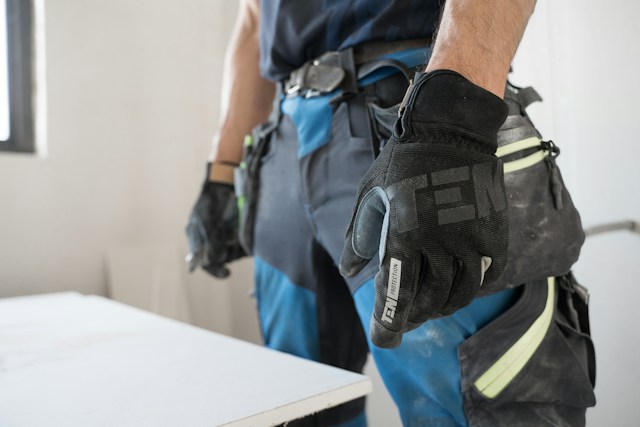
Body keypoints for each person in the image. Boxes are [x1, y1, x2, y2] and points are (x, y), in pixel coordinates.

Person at [185, 1, 596, 425]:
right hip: (284, 143)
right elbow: (254, 15)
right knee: (299, 405)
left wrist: (449, 120)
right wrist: (223, 170)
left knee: (480, 408)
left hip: (412, 115)